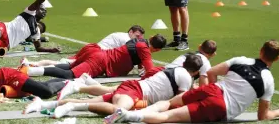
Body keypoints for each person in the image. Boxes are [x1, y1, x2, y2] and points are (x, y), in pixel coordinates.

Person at [105, 40, 279, 123]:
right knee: (169, 118)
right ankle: (128, 116)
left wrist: (207, 91)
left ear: (260, 50)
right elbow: (263, 116)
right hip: (221, 106)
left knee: (168, 104)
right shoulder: (268, 81)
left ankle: (127, 112)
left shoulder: (240, 60)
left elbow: (212, 72)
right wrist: (278, 113)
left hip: (212, 90)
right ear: (276, 59)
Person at [22, 54, 203, 118]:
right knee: (118, 110)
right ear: (195, 72)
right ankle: (72, 106)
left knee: (99, 103)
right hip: (136, 91)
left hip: (135, 89)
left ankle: (43, 104)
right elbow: (179, 101)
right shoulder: (186, 77)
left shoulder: (177, 69)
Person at [55, 39, 217, 101]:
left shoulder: (192, 56)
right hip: (164, 78)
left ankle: (84, 84)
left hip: (163, 74)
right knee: (120, 92)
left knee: (120, 90)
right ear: (213, 54)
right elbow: (202, 87)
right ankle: (78, 87)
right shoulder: (204, 63)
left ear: (199, 47)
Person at [20, 35, 166, 79]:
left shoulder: (139, 41)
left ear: (151, 36)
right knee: (70, 74)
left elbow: (136, 60)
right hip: (100, 60)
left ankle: (32, 65)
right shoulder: (145, 50)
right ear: (157, 50)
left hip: (96, 52)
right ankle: (31, 71)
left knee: (69, 66)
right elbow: (150, 70)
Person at [21, 25, 145, 67]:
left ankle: (32, 63)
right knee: (66, 64)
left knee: (66, 62)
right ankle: (32, 65)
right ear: (130, 32)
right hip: (97, 53)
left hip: (94, 49)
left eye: (140, 37)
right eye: (137, 36)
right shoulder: (125, 39)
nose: (138, 39)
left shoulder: (121, 35)